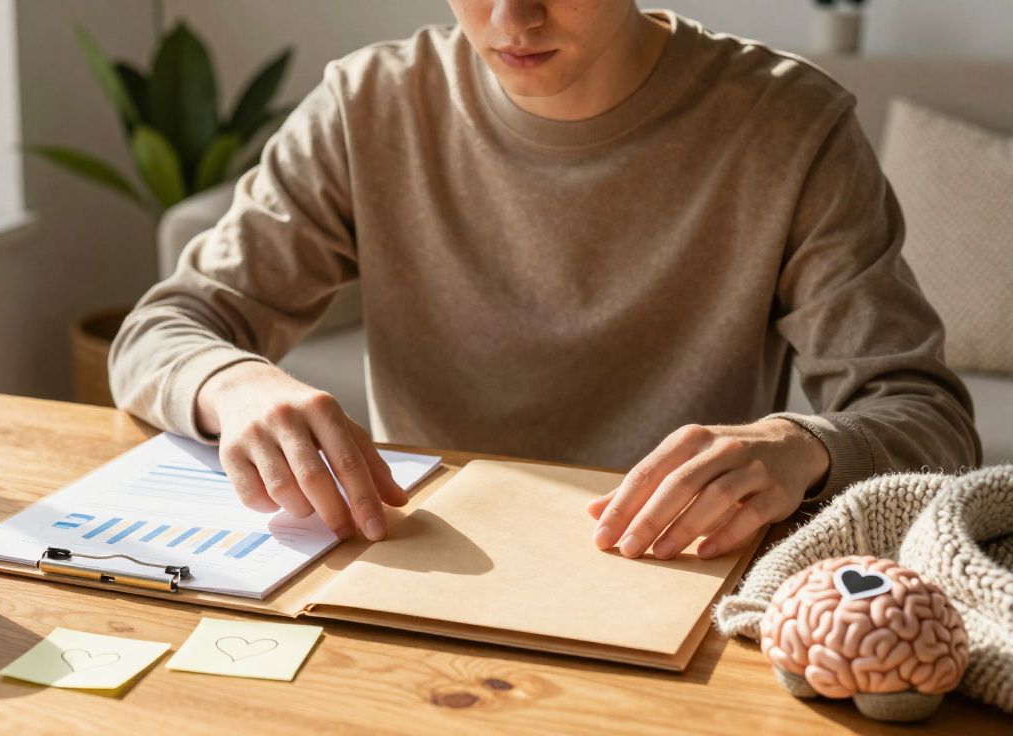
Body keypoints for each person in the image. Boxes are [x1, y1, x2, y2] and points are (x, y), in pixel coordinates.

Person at [108, 1, 979, 562]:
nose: (511, 17)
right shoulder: (370, 104)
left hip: (673, 573)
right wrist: (240, 385)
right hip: (417, 561)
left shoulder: (792, 126)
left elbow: (926, 419)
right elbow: (164, 327)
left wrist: (798, 447)